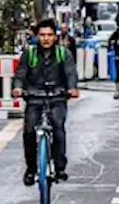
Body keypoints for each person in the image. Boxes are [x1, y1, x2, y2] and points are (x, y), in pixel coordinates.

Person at [13, 19, 80, 185]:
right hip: (34, 97)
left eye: (49, 35)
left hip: (57, 96)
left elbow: (71, 72)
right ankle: (31, 169)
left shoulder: (63, 53)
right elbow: (21, 74)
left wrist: (72, 88)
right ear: (37, 37)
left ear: (55, 37)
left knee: (58, 126)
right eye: (42, 35)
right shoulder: (30, 54)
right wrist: (18, 88)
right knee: (28, 131)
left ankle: (60, 168)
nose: (46, 38)